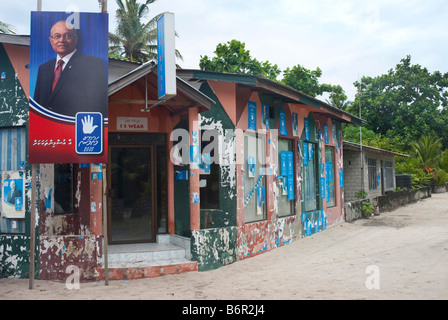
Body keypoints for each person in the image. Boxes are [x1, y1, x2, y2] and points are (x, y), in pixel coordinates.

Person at [33, 20, 107, 117]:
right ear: (51, 40)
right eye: (57, 36)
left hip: (75, 126)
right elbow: (37, 106)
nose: (61, 40)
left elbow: (98, 103)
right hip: (47, 127)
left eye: (67, 36)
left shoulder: (92, 64)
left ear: (76, 39)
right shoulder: (43, 69)